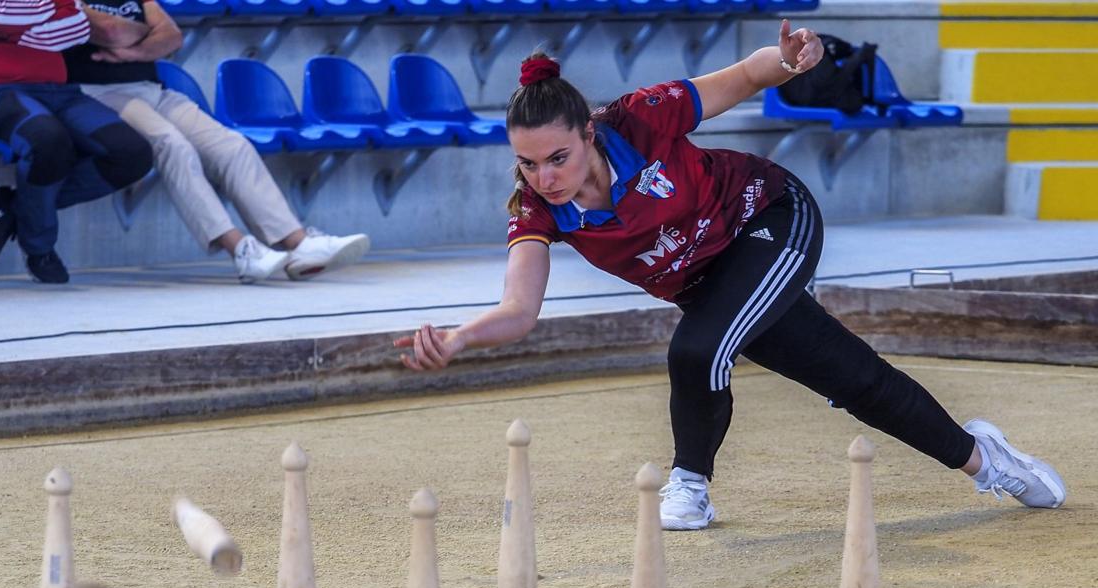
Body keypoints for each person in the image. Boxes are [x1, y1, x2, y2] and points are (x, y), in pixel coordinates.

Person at [394, 24, 1066, 530]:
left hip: (769, 216)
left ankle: (690, 484)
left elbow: (743, 77)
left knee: (696, 348)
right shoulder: (538, 207)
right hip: (716, 286)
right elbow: (519, 307)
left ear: (589, 135)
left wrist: (789, 59)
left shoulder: (641, 117)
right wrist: (457, 340)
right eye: (528, 163)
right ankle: (989, 462)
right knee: (853, 379)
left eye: (557, 158)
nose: (545, 177)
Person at [62, 0, 370, 282]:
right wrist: (145, 34)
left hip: (151, 89)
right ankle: (240, 250)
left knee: (231, 145)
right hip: (96, 93)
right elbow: (111, 30)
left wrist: (133, 51)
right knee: (173, 145)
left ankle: (298, 243)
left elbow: (171, 36)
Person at [0, 0, 155, 283]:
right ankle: (39, 248)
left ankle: (16, 205)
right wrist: (56, 8)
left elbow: (76, 29)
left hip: (59, 91)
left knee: (132, 153)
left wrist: (25, 22)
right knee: (48, 140)